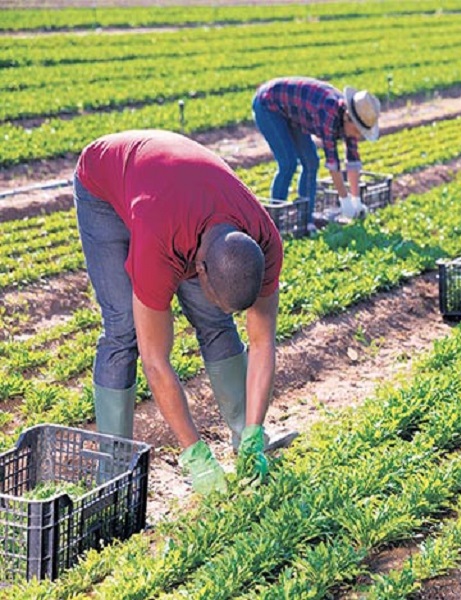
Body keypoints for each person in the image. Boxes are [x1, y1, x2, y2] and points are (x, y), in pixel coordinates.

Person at [74, 129, 291, 496]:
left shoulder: (265, 241)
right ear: (198, 268)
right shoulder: (161, 245)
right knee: (123, 331)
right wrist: (195, 455)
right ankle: (112, 473)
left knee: (216, 322)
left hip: (175, 188)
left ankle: (244, 439)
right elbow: (155, 361)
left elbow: (263, 341)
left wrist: (256, 428)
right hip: (104, 187)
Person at [252, 76, 381, 230]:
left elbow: (352, 161)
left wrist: (356, 200)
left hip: (294, 111)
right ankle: (273, 221)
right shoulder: (328, 114)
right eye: (357, 130)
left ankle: (305, 219)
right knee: (288, 163)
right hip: (269, 104)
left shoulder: (352, 120)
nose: (358, 136)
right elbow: (333, 165)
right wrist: (345, 201)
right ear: (348, 118)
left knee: (311, 162)